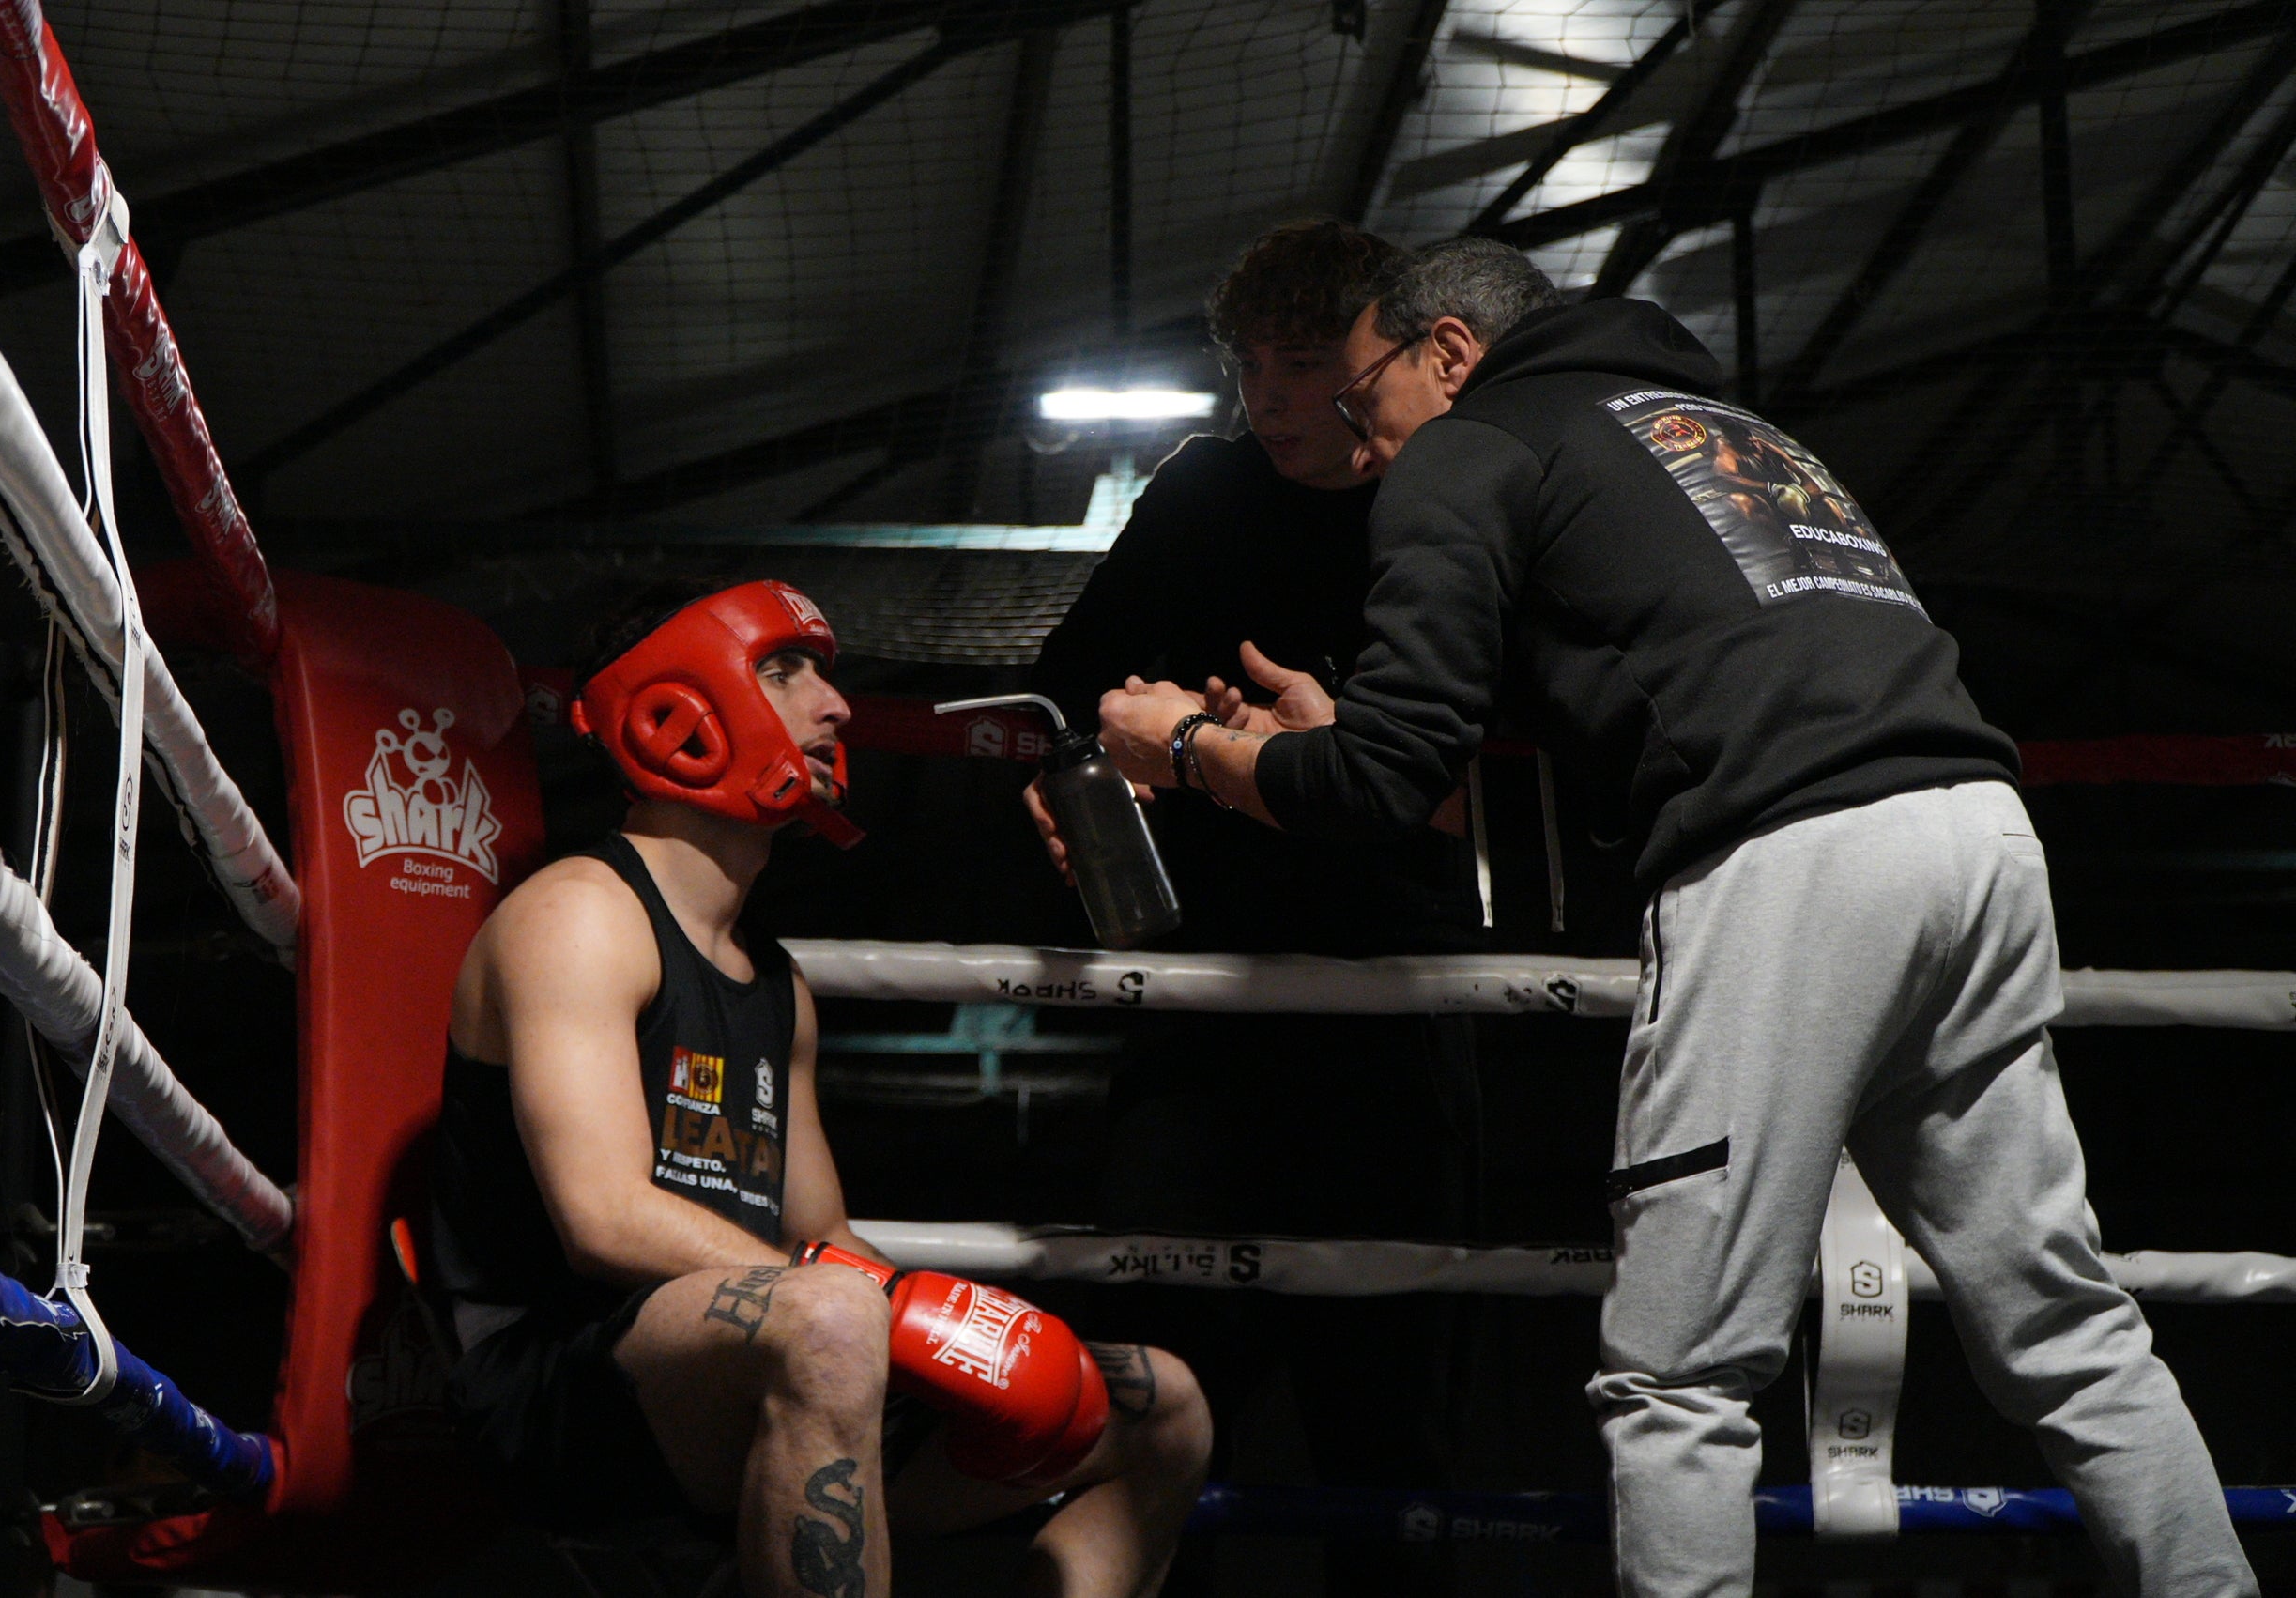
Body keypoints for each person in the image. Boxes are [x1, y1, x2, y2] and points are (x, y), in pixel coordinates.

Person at [1096, 238, 2255, 1597]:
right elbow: (1613, 750)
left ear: (1450, 354)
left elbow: (1375, 785)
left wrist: (1186, 747)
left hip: (1798, 868)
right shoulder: (1717, 430)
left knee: (1677, 1376)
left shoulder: (1471, 448)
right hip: (1975, 836)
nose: (1363, 449)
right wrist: (1338, 743)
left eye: (1364, 404)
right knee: (2066, 1321)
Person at [427, 579, 1211, 1598]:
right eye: (785, 670)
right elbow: (605, 1221)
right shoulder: (580, 915)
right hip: (560, 1389)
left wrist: (976, 1335)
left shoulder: (776, 982)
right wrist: (877, 1306)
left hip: (771, 1352)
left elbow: (820, 1232)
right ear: (680, 707)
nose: (835, 706)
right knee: (836, 1318)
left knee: (1157, 1405)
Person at [1026, 220, 1485, 1595]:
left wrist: (1313, 747)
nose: (1269, 398)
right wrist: (1079, 768)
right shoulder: (1209, 492)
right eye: (1250, 365)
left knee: (1388, 1436)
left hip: (1397, 1008)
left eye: (1302, 363)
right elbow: (1068, 679)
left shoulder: (1466, 495)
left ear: (1400, 355)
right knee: (1146, 1401)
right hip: (1205, 1008)